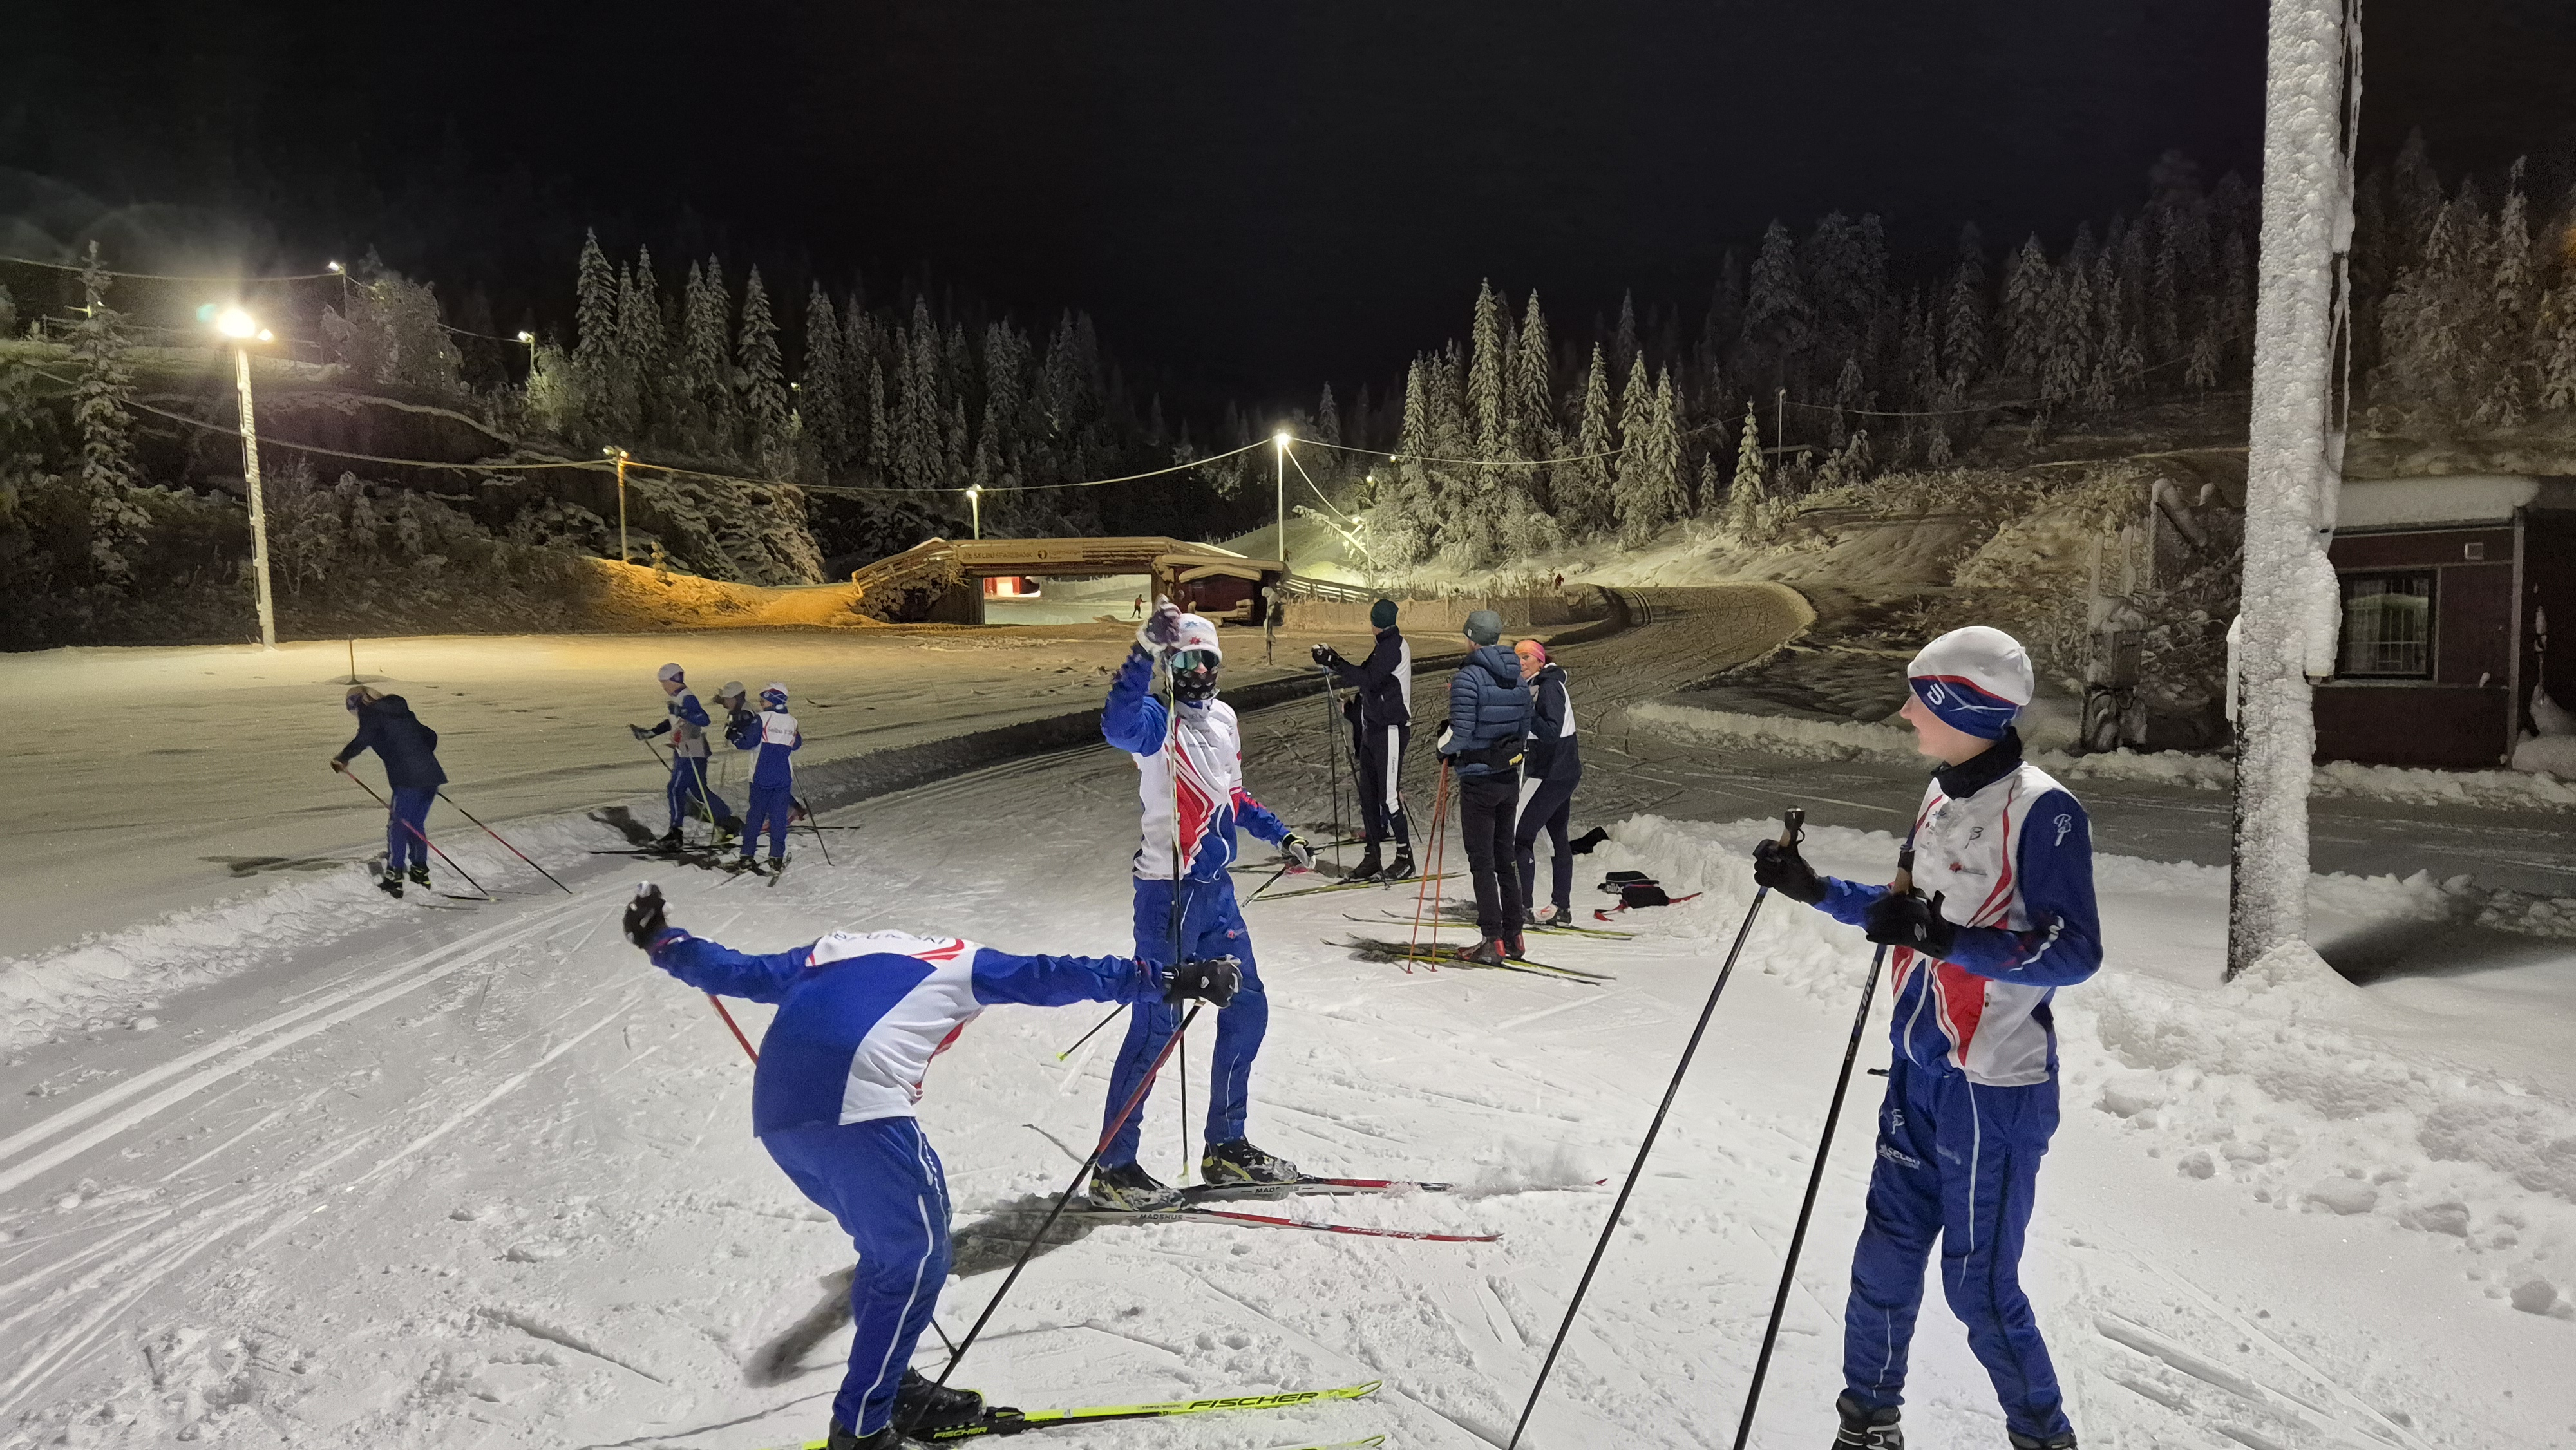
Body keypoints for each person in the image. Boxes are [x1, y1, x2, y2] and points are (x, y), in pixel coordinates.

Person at [619, 883, 1242, 1449]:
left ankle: (892, 1383)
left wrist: (664, 941)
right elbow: (1051, 975)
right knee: (917, 1257)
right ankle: (863, 1429)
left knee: (894, 1250)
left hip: (782, 1117)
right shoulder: (957, 959)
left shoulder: (828, 951)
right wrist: (1171, 977)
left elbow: (739, 972)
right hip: (860, 1108)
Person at [1748, 626, 2097, 1450]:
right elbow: (1907, 914)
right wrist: (1817, 887)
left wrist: (1947, 943)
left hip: (1992, 1088)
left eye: (1920, 696)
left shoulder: (2042, 811)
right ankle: (1867, 1425)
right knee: (1883, 1266)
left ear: (1962, 705)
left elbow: (2074, 950)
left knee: (1977, 1287)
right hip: (1918, 1071)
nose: (1906, 710)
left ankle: (2045, 1438)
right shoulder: (1941, 795)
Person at [1089, 601, 1315, 1211]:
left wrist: (1281, 834)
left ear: (1217, 663)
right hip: (1168, 896)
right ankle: (1114, 1169)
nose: (1196, 670)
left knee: (1249, 1005)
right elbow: (1114, 723)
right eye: (1183, 659)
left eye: (1205, 659)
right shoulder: (1153, 724)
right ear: (1171, 663)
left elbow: (1232, 796)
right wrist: (1141, 648)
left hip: (1216, 893)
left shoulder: (1224, 720)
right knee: (1157, 1026)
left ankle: (1226, 1147)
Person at [1436, 609, 1533, 966]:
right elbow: (1523, 729)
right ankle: (1514, 935)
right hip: (1508, 779)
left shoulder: (1468, 678)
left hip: (1479, 779)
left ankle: (1492, 940)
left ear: (1473, 638)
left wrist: (1442, 747)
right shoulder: (1519, 678)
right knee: (1505, 860)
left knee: (1483, 862)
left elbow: (1459, 734)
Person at [1311, 597, 1415, 881]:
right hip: (1375, 730)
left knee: (1389, 796)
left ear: (1374, 623)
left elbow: (1368, 679)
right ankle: (1373, 855)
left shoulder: (1393, 647)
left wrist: (1334, 661)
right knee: (1369, 796)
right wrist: (1335, 663)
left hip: (1391, 730)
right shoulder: (1385, 645)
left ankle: (1406, 858)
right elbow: (1371, 683)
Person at [330, 686, 447, 898]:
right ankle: (420, 874)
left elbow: (363, 738)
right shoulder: (399, 710)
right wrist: (418, 757)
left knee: (398, 826)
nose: (357, 717)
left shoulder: (372, 713)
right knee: (415, 825)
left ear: (358, 704)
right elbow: (430, 737)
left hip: (408, 779)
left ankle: (394, 878)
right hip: (430, 777)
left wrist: (342, 758)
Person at [1511, 639, 1582, 925]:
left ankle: (1521, 907)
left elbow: (1551, 731)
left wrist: (1526, 713)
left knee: (1518, 836)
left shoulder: (1549, 687)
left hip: (1548, 773)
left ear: (1541, 661)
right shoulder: (1540, 684)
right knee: (1556, 838)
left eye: (1527, 657)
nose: (1521, 662)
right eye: (1517, 657)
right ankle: (1561, 907)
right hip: (1563, 772)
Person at [630, 663, 737, 849]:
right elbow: (675, 720)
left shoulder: (687, 698)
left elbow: (703, 719)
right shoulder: (679, 697)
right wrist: (652, 732)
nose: (663, 686)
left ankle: (675, 833)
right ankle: (728, 823)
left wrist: (683, 711)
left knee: (675, 789)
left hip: (691, 752)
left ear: (675, 680)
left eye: (664, 682)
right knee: (698, 790)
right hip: (689, 750)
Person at [732, 683, 802, 873]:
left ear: (773, 700)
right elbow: (796, 745)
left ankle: (747, 855)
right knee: (778, 818)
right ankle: (776, 857)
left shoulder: (762, 719)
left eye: (763, 700)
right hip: (782, 778)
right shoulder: (792, 721)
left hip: (761, 778)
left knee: (756, 816)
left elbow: (747, 743)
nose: (761, 703)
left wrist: (733, 735)